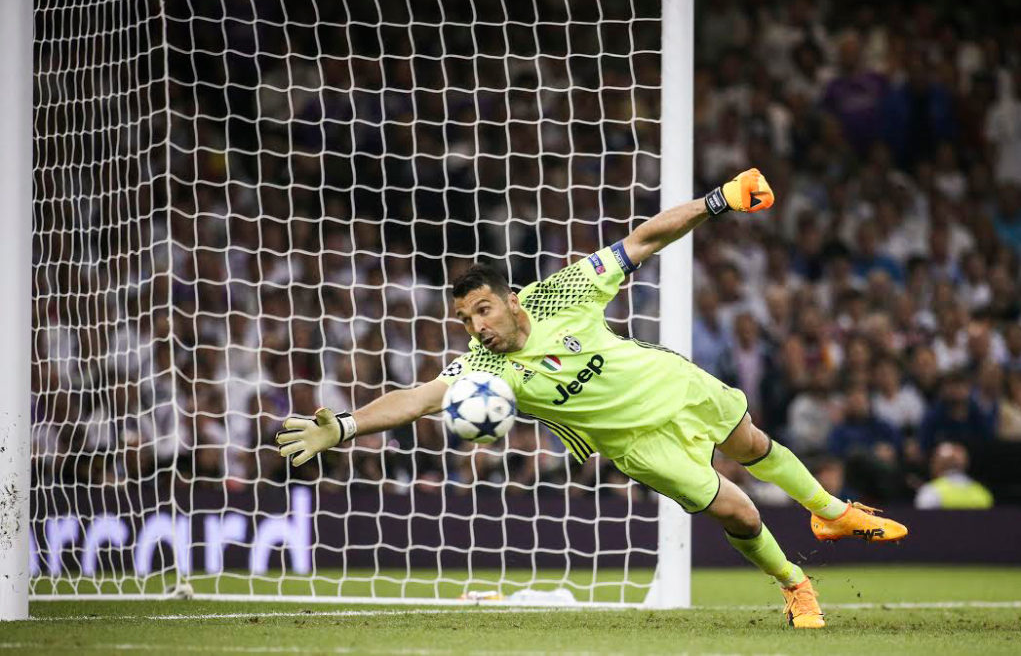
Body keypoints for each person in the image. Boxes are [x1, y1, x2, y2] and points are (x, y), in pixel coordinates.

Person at [275, 169, 908, 629]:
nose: (477, 325)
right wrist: (345, 426)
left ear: (512, 299)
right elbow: (418, 398)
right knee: (738, 514)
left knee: (752, 444)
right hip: (636, 445)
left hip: (671, 384)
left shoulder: (560, 293)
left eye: (484, 309)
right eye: (465, 318)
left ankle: (831, 511)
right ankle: (795, 584)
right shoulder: (483, 368)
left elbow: (644, 239)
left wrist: (717, 200)